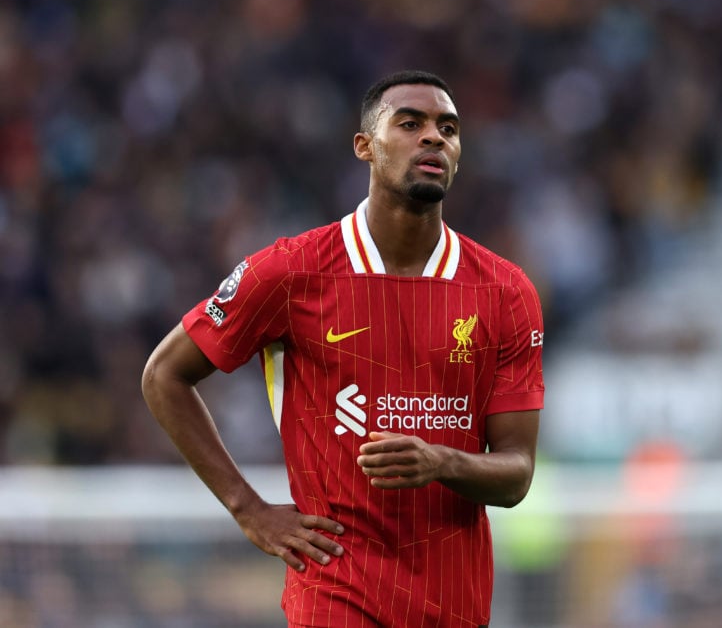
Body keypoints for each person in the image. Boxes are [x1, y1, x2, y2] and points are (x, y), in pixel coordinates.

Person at [141, 70, 545, 628]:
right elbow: (164, 375)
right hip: (336, 588)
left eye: (448, 129)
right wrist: (248, 508)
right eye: (411, 123)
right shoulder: (290, 272)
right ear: (365, 146)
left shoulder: (505, 292)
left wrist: (440, 460)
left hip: (455, 598)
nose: (434, 138)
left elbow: (517, 474)